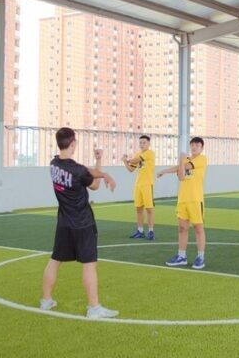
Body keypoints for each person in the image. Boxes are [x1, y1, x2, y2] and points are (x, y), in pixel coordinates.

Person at [40, 127, 119, 318]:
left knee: (55, 260)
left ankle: (46, 300)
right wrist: (103, 171)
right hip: (83, 223)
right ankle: (94, 308)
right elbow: (95, 185)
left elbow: (86, 171)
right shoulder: (78, 170)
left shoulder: (53, 164)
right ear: (73, 144)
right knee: (89, 264)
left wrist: (100, 168)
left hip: (64, 223)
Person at [157, 137, 208, 269]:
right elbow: (181, 176)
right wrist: (164, 171)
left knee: (198, 228)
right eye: (192, 145)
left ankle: (200, 257)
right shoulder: (185, 160)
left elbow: (183, 168)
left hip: (195, 199)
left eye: (197, 145)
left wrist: (181, 160)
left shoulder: (202, 159)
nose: (194, 147)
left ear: (202, 148)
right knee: (182, 228)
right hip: (183, 200)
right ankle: (181, 256)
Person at [123, 135, 156, 240]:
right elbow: (131, 169)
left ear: (148, 143)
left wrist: (127, 159)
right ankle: (140, 231)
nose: (142, 144)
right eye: (140, 142)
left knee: (149, 209)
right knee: (138, 209)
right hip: (138, 185)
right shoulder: (137, 154)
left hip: (147, 184)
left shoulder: (150, 153)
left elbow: (136, 160)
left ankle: (151, 231)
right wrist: (125, 162)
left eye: (144, 142)